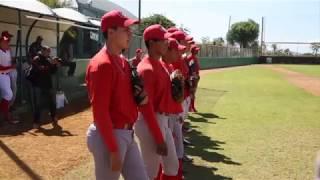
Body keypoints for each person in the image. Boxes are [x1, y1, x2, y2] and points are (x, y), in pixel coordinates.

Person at [85, 10, 148, 180]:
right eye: (126, 29)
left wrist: (139, 96)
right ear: (110, 32)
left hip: (127, 133)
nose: (130, 33)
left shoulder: (122, 62)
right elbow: (100, 112)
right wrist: (113, 149)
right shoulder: (102, 64)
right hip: (110, 135)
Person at [135, 24, 180, 180]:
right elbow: (146, 109)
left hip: (162, 120)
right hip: (149, 122)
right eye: (164, 40)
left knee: (172, 166)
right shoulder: (146, 69)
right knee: (149, 172)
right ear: (152, 43)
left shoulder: (161, 64)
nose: (167, 43)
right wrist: (158, 138)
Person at [162, 38, 187, 179]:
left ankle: (179, 174)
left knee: (172, 155)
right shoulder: (159, 67)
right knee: (165, 159)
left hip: (170, 114)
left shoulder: (170, 67)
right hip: (163, 117)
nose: (179, 53)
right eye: (176, 50)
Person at [30, 46, 61, 129]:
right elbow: (40, 69)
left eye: (49, 51)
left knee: (52, 102)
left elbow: (52, 72)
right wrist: (51, 64)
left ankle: (54, 118)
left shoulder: (48, 59)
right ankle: (36, 122)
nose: (49, 53)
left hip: (48, 84)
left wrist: (55, 66)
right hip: (38, 84)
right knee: (38, 104)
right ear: (42, 51)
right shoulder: (36, 59)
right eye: (47, 51)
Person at [0, 31, 19, 125]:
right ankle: (6, 115)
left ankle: (6, 115)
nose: (8, 41)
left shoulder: (8, 49)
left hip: (7, 74)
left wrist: (13, 62)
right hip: (1, 75)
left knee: (8, 95)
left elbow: (9, 60)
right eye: (6, 40)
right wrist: (11, 67)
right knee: (8, 94)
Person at [186, 45, 201, 112]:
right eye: (196, 50)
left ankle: (191, 107)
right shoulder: (191, 58)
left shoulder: (194, 57)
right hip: (192, 78)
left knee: (193, 93)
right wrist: (192, 76)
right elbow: (190, 68)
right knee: (191, 93)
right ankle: (191, 107)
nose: (197, 51)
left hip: (195, 77)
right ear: (193, 50)